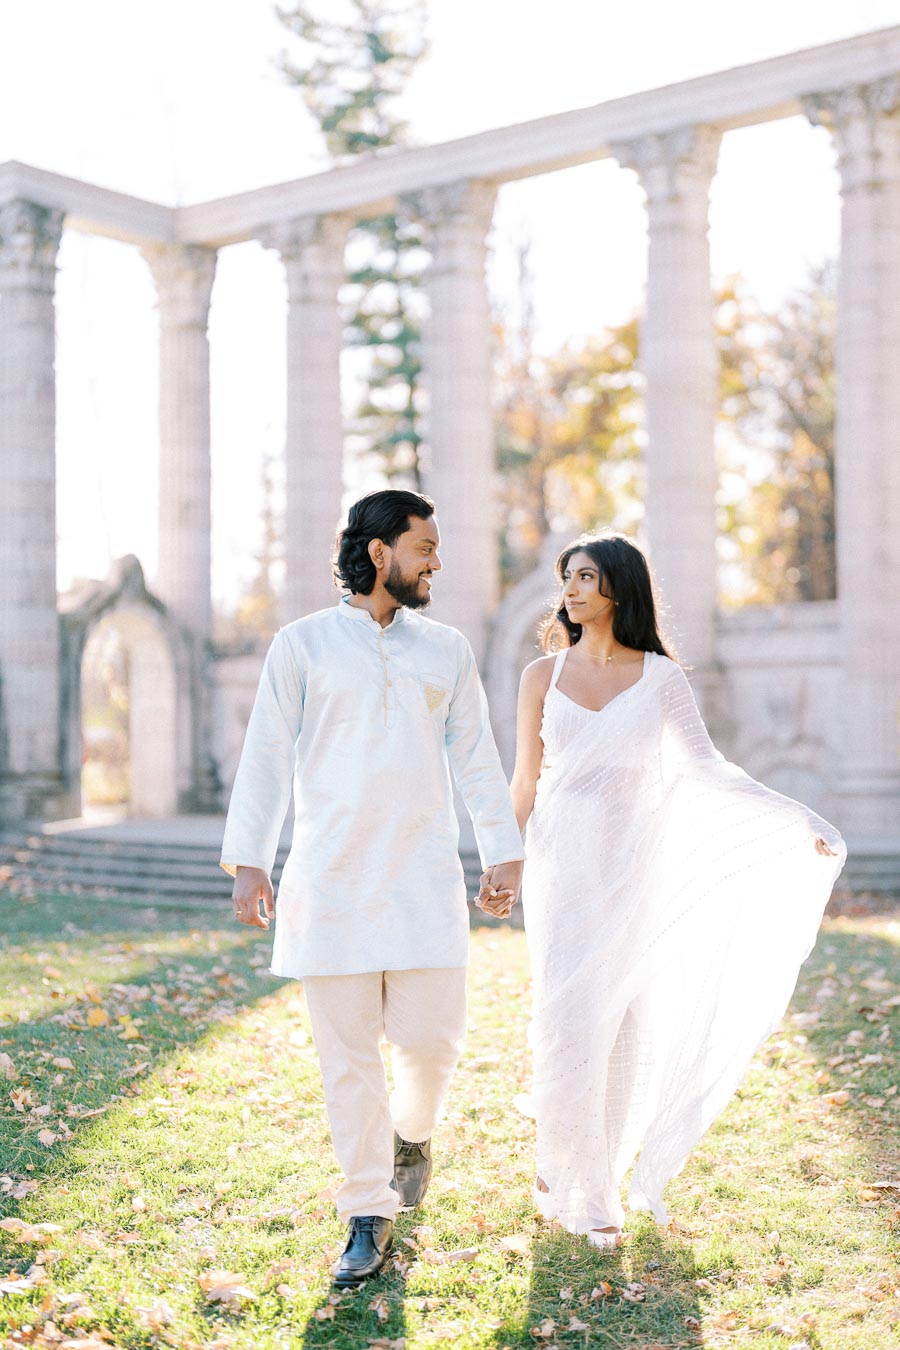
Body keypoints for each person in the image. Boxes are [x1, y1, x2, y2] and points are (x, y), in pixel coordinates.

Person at [498, 531, 845, 1248]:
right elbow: (525, 781)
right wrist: (505, 861)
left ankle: (595, 1184)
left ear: (618, 586)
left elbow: (709, 769)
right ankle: (563, 1164)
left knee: (625, 1019)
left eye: (585, 577)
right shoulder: (541, 676)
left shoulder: (661, 679)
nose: (571, 590)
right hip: (563, 866)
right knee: (567, 1016)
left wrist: (799, 819)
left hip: (635, 864)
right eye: (567, 578)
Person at [220, 489, 524, 1287]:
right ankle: (366, 1209)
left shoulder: (446, 649)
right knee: (347, 1060)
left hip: (423, 879)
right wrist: (250, 858)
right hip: (331, 885)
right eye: (425, 547)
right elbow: (265, 753)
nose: (436, 562)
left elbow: (477, 755)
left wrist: (503, 851)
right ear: (380, 552)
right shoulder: (302, 645)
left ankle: (412, 1136)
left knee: (433, 1042)